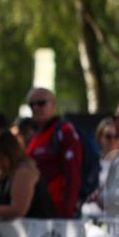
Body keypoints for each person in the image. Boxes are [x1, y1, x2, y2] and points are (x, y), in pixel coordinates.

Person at [24, 88, 82, 218]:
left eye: (41, 103)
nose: (36, 107)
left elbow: (73, 175)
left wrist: (66, 212)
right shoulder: (35, 137)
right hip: (36, 210)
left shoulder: (64, 132)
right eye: (31, 104)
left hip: (55, 212)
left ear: (54, 105)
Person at [95, 117, 119, 186]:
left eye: (116, 136)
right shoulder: (91, 164)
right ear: (99, 138)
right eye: (108, 136)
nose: (112, 140)